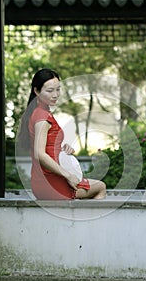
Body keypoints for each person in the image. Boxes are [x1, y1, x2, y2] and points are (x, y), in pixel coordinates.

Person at [18, 68, 106, 200]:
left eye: (58, 89)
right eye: (49, 90)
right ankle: (84, 221)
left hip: (41, 182)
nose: (55, 95)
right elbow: (39, 153)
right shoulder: (42, 117)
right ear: (36, 91)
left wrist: (62, 150)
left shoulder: (37, 112)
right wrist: (68, 175)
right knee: (100, 187)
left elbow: (48, 146)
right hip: (51, 183)